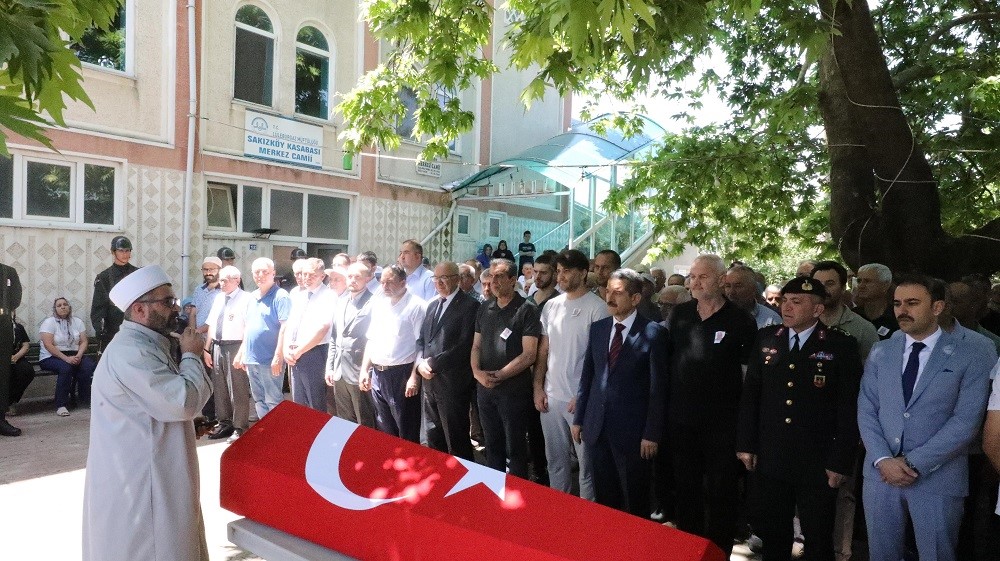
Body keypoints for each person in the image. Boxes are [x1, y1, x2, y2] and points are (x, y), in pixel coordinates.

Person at [858, 274, 996, 561]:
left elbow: (966, 420)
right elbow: (867, 409)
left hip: (938, 476)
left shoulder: (975, 350)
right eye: (897, 303)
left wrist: (912, 463)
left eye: (912, 303)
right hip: (881, 475)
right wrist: (883, 460)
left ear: (937, 307)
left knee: (936, 554)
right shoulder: (882, 350)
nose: (901, 310)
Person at [82, 265, 212, 561]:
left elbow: (157, 402)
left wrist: (188, 425)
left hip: (154, 463)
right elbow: (182, 402)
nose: (175, 308)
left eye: (174, 300)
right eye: (167, 302)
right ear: (140, 309)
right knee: (154, 546)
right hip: (142, 480)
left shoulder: (147, 342)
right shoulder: (132, 351)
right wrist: (191, 354)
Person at [737, 277, 863, 561]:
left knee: (817, 537)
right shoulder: (768, 339)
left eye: (797, 302)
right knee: (774, 534)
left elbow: (848, 408)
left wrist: (840, 460)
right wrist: (746, 443)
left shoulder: (839, 345)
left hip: (817, 460)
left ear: (818, 310)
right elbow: (751, 396)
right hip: (773, 454)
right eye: (785, 301)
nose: (787, 307)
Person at [666, 253, 757, 556]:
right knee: (686, 489)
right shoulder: (679, 315)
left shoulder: (741, 320)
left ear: (720, 280)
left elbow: (748, 377)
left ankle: (718, 552)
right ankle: (689, 549)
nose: (694, 282)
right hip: (682, 421)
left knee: (722, 493)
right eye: (692, 276)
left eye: (702, 276)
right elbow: (668, 362)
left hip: (723, 426)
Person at [572, 268, 668, 517]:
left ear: (635, 298)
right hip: (597, 427)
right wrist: (580, 418)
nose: (609, 297)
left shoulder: (654, 333)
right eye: (607, 291)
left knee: (635, 499)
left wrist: (652, 433)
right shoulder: (598, 329)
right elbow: (588, 376)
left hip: (634, 434)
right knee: (606, 499)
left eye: (618, 293)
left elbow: (659, 389)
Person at [535, 249, 610, 499]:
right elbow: (543, 351)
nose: (561, 276)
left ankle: (587, 522)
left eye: (566, 271)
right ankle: (559, 514)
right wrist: (538, 388)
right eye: (558, 271)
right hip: (551, 397)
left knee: (587, 469)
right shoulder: (551, 307)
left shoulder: (598, 309)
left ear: (582, 272)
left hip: (581, 402)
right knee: (555, 462)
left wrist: (584, 395)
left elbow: (602, 360)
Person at [472, 258, 541, 478]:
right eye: (491, 276)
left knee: (515, 448)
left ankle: (516, 494)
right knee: (492, 445)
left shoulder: (527, 309)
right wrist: (477, 373)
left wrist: (501, 375)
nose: (494, 281)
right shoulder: (485, 308)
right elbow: (475, 345)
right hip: (485, 389)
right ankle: (495, 490)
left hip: (513, 391)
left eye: (500, 276)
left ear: (513, 280)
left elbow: (529, 354)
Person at [416, 261, 479, 459]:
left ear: (457, 279)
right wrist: (419, 363)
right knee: (434, 437)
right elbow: (422, 340)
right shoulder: (433, 304)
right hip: (429, 383)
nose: (439, 283)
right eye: (436, 278)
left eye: (444, 278)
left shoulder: (471, 306)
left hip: (453, 384)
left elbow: (464, 345)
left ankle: (463, 482)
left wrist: (433, 364)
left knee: (456, 440)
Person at [360, 264, 426, 442]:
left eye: (390, 282)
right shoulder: (380, 305)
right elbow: (371, 339)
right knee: (384, 426)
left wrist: (415, 376)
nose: (385, 287)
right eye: (382, 282)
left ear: (403, 282)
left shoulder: (416, 306)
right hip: (378, 373)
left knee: (406, 427)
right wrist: (364, 370)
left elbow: (422, 345)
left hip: (402, 373)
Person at [234, 258, 290, 419]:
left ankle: (276, 438)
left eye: (265, 272)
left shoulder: (281, 296)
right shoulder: (251, 297)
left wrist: (278, 356)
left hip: (270, 359)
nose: (260, 275)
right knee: (259, 401)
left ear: (273, 273)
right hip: (252, 359)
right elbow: (248, 328)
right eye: (256, 272)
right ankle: (265, 435)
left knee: (273, 401)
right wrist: (242, 353)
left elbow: (285, 327)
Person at [204, 266, 254, 442]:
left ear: (237, 280)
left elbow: (249, 327)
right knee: (220, 387)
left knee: (237, 388)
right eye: (221, 279)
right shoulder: (219, 298)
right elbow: (212, 324)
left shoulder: (246, 299)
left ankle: (240, 426)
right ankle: (224, 422)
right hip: (217, 346)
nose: (222, 283)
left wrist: (242, 352)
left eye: (226, 280)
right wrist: (206, 348)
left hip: (235, 346)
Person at [325, 261, 376, 428]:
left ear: (368, 278)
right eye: (350, 276)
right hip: (339, 371)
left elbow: (373, 338)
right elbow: (335, 337)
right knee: (344, 421)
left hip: (358, 371)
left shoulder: (373, 303)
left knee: (364, 421)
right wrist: (330, 367)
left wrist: (366, 370)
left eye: (357, 277)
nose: (353, 280)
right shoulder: (341, 301)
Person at [282, 258, 336, 412]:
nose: (306, 278)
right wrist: (286, 349)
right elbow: (290, 325)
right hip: (294, 354)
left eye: (311, 275)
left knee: (315, 401)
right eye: (304, 274)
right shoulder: (298, 295)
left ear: (322, 276)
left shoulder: (328, 296)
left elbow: (323, 328)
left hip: (314, 352)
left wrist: (300, 350)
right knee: (298, 400)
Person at [39, 297, 97, 417]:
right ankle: (61, 404)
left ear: (69, 307)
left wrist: (79, 356)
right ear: (55, 309)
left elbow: (84, 341)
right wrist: (66, 359)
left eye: (65, 304)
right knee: (66, 368)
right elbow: (48, 345)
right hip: (51, 357)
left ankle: (85, 398)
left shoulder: (77, 322)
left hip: (74, 354)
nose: (63, 307)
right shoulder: (49, 322)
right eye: (59, 305)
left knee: (88, 366)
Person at [91, 235, 138, 348]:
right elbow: (98, 308)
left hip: (136, 326)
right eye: (121, 251)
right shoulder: (104, 277)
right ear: (113, 252)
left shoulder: (138, 273)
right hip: (113, 328)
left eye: (127, 251)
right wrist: (101, 329)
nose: (125, 254)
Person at [853, 263, 898, 340]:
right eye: (859, 281)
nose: (861, 285)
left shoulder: (897, 317)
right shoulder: (852, 316)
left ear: (885, 285)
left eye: (867, 281)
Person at [7, 311, 34, 417]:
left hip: (16, 357)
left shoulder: (18, 327)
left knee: (27, 371)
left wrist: (16, 357)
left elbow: (25, 345)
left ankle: (10, 401)